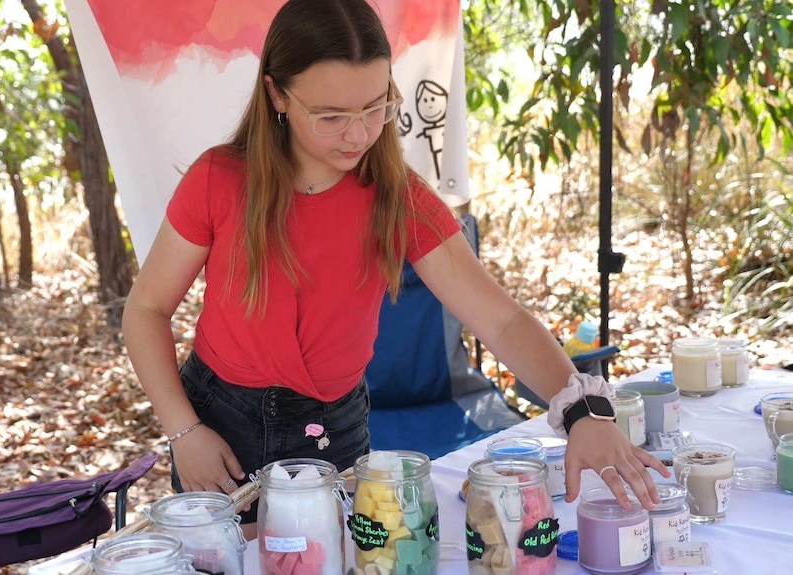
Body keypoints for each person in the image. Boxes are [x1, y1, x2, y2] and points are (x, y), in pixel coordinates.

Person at [121, 0, 668, 538]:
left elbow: (501, 322)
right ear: (276, 94)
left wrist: (584, 413)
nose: (359, 136)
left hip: (332, 430)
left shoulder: (396, 197)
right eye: (332, 117)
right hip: (220, 424)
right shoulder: (220, 179)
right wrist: (183, 430)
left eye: (376, 107)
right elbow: (146, 310)